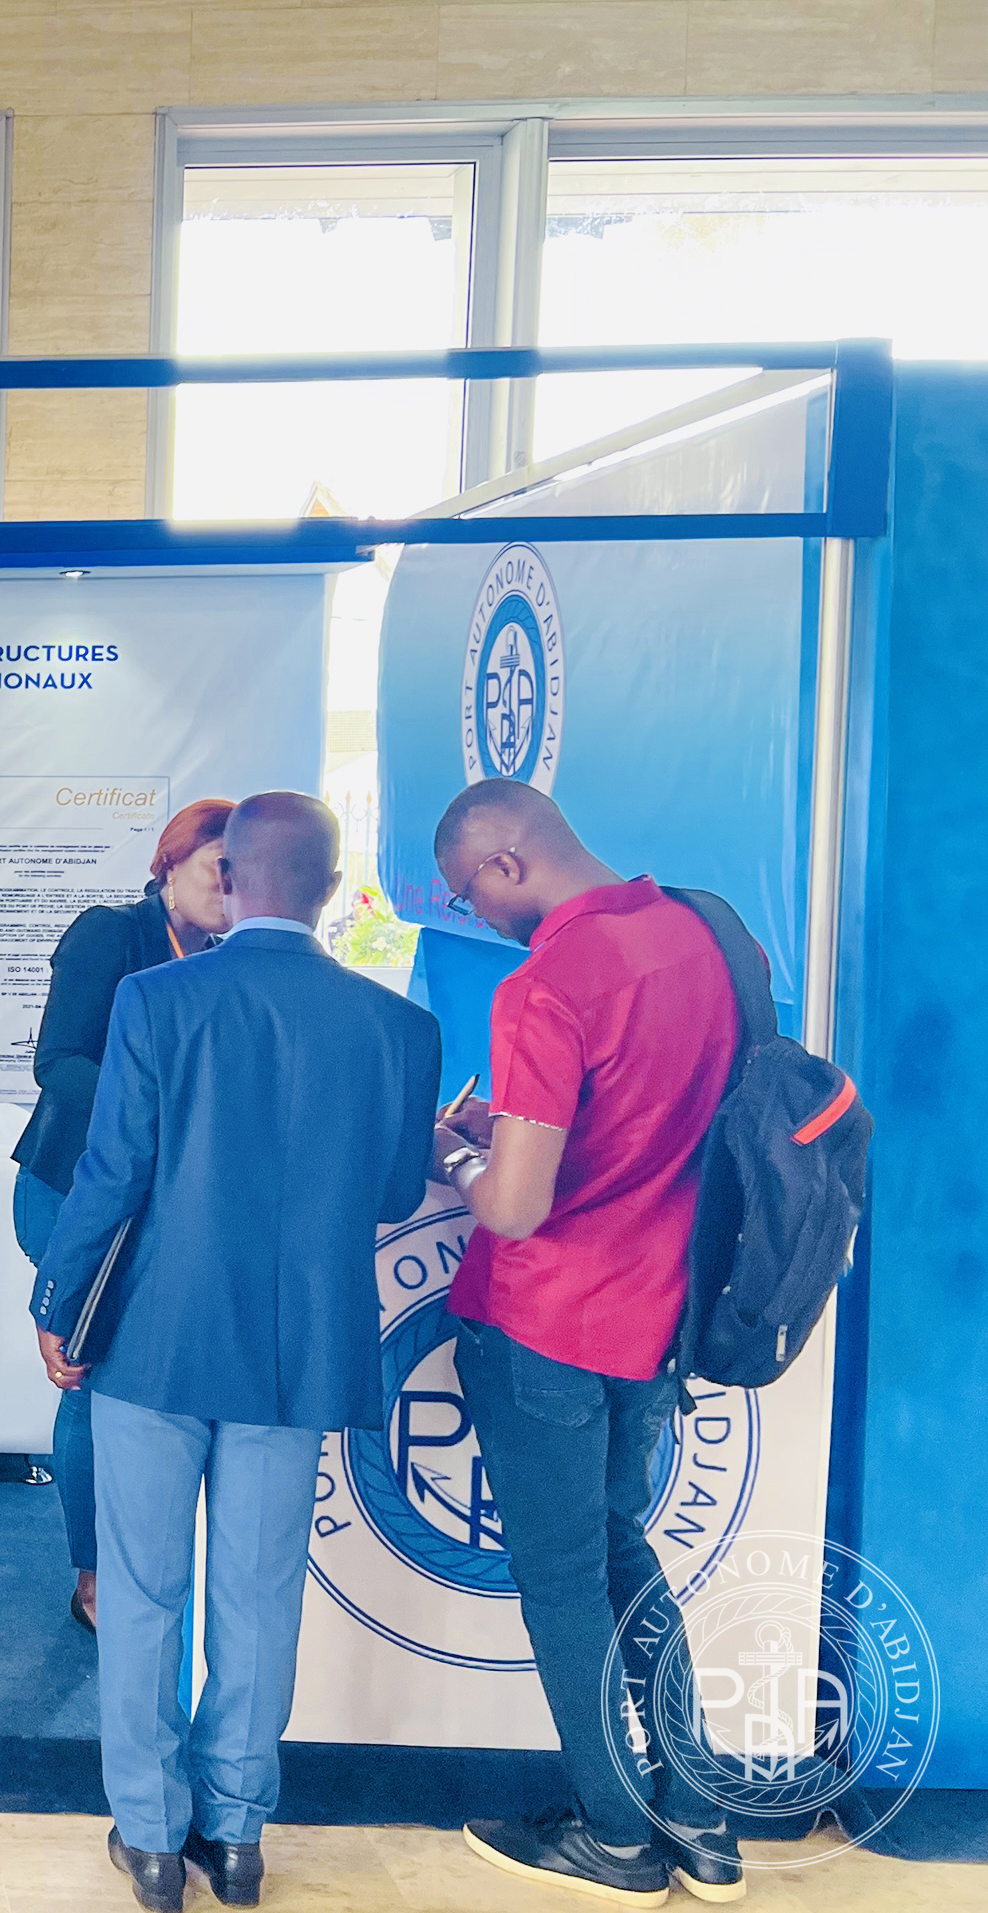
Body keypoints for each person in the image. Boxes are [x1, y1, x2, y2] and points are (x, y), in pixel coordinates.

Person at [33, 793, 439, 1913]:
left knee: (143, 1591)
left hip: (155, 1342)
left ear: (232, 875)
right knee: (259, 1599)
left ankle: (153, 1840)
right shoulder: (397, 1027)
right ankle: (241, 1835)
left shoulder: (155, 1001)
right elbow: (394, 1193)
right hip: (296, 1354)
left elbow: (114, 1172)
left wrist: (58, 1299)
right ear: (331, 887)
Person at [432, 779, 747, 1907]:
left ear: (506, 862)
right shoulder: (705, 939)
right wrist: (511, 1132)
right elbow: (646, 1119)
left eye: (466, 894)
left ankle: (615, 1837)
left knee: (564, 1583)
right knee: (619, 1551)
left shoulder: (547, 982)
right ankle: (700, 1815)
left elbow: (514, 1208)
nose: (475, 914)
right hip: (656, 1319)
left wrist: (451, 1154)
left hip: (544, 1324)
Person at [16, 797, 234, 1633]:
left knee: (138, 1382)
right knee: (90, 1377)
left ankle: (146, 1556)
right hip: (74, 1191)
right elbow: (57, 1063)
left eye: (242, 872)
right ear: (171, 864)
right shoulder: (112, 933)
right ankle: (95, 1575)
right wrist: (156, 1106)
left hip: (167, 1206)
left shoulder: (229, 959)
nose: (230, 886)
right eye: (217, 867)